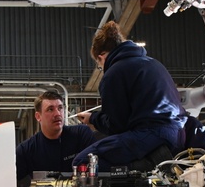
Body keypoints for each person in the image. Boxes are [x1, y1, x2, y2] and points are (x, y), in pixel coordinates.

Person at [74, 21, 195, 171]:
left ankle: (148, 166)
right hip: (177, 134)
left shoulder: (115, 73)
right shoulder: (154, 63)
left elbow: (117, 125)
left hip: (152, 135)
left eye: (99, 66)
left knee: (83, 162)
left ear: (102, 56)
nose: (102, 69)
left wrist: (93, 119)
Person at [16, 89, 96, 181]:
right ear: (38, 116)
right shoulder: (26, 150)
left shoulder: (81, 135)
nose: (57, 114)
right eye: (50, 109)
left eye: (60, 108)